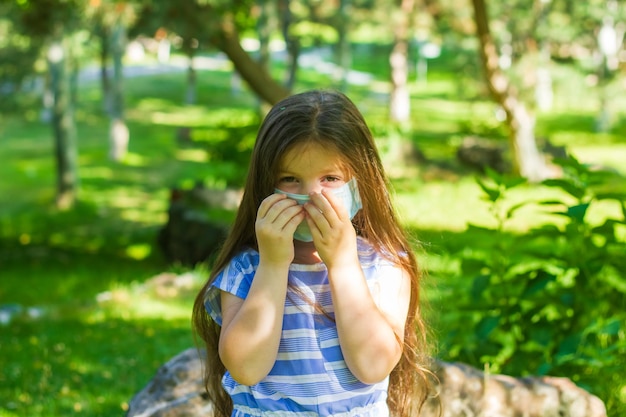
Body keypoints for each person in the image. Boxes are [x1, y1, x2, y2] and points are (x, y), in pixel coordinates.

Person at [192, 90, 432, 417]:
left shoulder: (385, 268)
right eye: (290, 179)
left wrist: (344, 265)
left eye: (330, 178)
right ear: (265, 187)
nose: (311, 195)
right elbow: (246, 368)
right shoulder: (246, 271)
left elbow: (373, 365)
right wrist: (274, 264)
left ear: (360, 184)